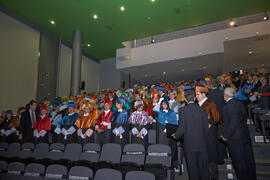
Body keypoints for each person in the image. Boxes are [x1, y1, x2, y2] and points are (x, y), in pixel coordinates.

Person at [172, 90, 210, 180]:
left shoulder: (182, 110)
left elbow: (182, 128)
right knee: (204, 169)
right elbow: (206, 128)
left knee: (193, 170)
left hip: (190, 145)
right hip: (202, 144)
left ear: (185, 99)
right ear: (194, 98)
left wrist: (176, 135)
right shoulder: (202, 110)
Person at [221, 87, 256, 180]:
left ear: (226, 95)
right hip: (244, 134)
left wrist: (226, 136)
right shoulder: (240, 103)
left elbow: (233, 123)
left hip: (235, 138)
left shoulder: (229, 106)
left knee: (239, 163)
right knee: (249, 161)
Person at [196, 85, 222, 180]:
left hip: (210, 133)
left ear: (203, 94)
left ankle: (214, 176)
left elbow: (217, 117)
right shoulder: (197, 104)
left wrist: (210, 123)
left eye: (198, 94)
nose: (196, 97)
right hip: (200, 134)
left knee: (212, 155)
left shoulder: (210, 103)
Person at [157, 100, 178, 167]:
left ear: (168, 105)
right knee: (163, 148)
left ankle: (171, 163)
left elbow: (175, 123)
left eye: (165, 104)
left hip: (171, 132)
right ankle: (162, 163)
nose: (164, 105)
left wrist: (169, 128)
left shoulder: (172, 113)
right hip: (162, 133)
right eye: (163, 104)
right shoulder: (160, 112)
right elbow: (160, 121)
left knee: (171, 148)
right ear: (161, 105)